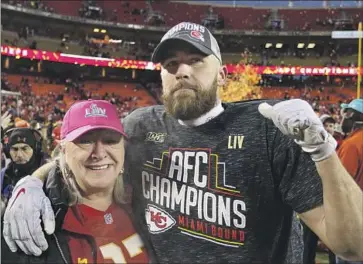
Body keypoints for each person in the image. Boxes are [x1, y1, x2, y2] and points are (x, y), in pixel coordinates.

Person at [3, 22, 363, 264]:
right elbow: (87, 156)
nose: (183, 71)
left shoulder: (267, 129)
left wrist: (323, 152)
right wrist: (31, 182)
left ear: (222, 73)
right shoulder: (139, 124)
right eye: (171, 64)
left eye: (195, 61)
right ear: (161, 75)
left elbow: (353, 247)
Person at [2, 99, 151, 263]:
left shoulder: (148, 198)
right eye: (85, 141)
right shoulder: (29, 220)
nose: (99, 153)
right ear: (63, 149)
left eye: (110, 140)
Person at [1, 127, 44, 204]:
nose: (19, 155)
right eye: (15, 149)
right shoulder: (3, 176)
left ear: (35, 149)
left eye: (25, 149)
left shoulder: (47, 176)